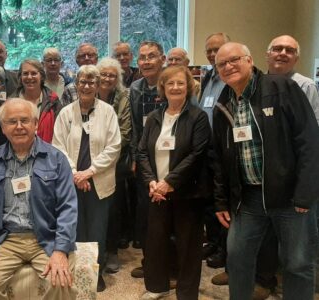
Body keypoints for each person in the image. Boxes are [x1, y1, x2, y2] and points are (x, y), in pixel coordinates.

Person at [213, 42, 319, 300]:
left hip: (290, 198)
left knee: (297, 263)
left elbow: (309, 141)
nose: (228, 66)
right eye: (222, 64)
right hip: (247, 199)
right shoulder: (224, 103)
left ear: (250, 60)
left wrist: (306, 192)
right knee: (237, 257)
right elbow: (219, 158)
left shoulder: (281, 88)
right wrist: (221, 200)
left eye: (234, 59)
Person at [0, 98, 78, 300]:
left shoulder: (56, 159)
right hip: (6, 239)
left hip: (46, 238)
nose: (19, 126)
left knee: (60, 282)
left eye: (25, 120)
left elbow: (68, 207)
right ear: (3, 128)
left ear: (36, 124)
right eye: (12, 122)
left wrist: (60, 249)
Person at [137, 66, 212, 300]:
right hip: (156, 192)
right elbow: (141, 152)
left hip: (187, 194)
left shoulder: (198, 117)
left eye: (180, 83)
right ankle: (157, 287)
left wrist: (169, 182)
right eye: (170, 84)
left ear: (188, 86)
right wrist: (152, 182)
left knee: (189, 248)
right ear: (163, 88)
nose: (175, 87)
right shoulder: (155, 117)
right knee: (156, 243)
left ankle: (187, 294)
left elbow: (197, 155)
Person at [53, 64, 121, 292]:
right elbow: (58, 147)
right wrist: (75, 174)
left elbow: (114, 147)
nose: (87, 85)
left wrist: (89, 172)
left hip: (98, 182)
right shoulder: (65, 113)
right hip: (72, 182)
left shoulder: (108, 112)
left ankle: (95, 273)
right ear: (76, 84)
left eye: (92, 81)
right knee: (75, 229)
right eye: (82, 81)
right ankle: (77, 272)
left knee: (96, 230)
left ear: (98, 84)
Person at [129, 40, 166, 278]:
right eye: (142, 57)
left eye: (152, 56)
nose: (146, 61)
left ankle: (170, 265)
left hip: (170, 157)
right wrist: (134, 158)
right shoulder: (135, 88)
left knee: (168, 212)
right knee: (146, 213)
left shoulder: (171, 84)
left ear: (162, 59)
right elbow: (134, 126)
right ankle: (150, 262)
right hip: (144, 159)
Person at [95, 57, 133, 274]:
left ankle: (111, 251)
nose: (108, 78)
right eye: (104, 74)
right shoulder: (88, 94)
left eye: (112, 75)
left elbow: (125, 132)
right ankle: (93, 250)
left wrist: (106, 156)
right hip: (89, 162)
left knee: (113, 209)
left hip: (114, 162)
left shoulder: (123, 98)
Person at [198, 33, 230, 280]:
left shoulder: (231, 77)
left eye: (216, 49)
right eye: (209, 50)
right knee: (209, 199)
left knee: (224, 200)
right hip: (205, 147)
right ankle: (215, 242)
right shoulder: (208, 75)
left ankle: (227, 250)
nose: (211, 54)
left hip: (224, 147)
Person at [266, 35, 319, 123]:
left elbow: (313, 125)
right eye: (278, 49)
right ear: (268, 55)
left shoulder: (306, 86)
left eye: (289, 50)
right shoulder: (256, 83)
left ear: (296, 59)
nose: (283, 53)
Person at [11, 59, 61, 143]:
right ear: (20, 77)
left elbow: (60, 133)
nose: (29, 77)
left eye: (34, 73)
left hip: (47, 152)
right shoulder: (11, 103)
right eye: (25, 73)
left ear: (41, 76)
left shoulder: (53, 102)